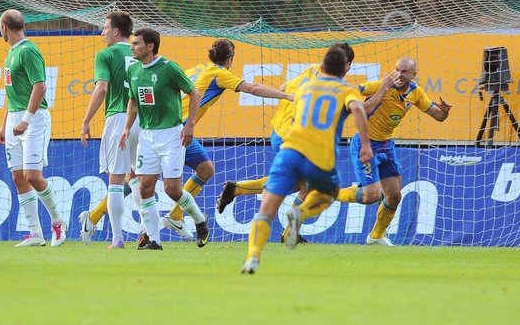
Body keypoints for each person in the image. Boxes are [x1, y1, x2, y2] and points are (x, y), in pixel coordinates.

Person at [241, 46, 373, 274]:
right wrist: (367, 145)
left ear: (321, 67)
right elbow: (358, 110)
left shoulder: (304, 89)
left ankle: (252, 257)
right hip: (319, 156)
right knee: (330, 193)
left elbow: (287, 95)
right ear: (345, 70)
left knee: (266, 210)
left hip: (289, 151)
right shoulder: (346, 90)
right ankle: (299, 213)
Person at [158, 38, 293, 242]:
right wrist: (287, 97)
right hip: (177, 129)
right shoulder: (220, 74)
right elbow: (253, 88)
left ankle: (176, 214)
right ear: (229, 59)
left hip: (170, 123)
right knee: (140, 181)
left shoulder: (198, 69)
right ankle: (96, 218)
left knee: (206, 169)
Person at [336, 57, 450, 246]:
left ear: (414, 75)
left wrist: (444, 111)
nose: (398, 74)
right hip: (365, 142)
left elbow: (438, 116)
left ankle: (376, 236)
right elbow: (358, 104)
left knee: (395, 195)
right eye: (396, 69)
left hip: (386, 144)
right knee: (371, 196)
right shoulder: (381, 85)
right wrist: (384, 88)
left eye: (404, 71)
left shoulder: (415, 93)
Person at [118, 28, 208, 250]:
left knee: (172, 190)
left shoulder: (169, 69)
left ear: (150, 46)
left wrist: (190, 124)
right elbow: (133, 101)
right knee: (145, 187)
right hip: (147, 136)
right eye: (131, 43)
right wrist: (127, 128)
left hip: (171, 136)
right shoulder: (133, 70)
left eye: (136, 44)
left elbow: (194, 93)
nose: (132, 47)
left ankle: (200, 220)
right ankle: (154, 240)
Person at [0, 9, 65, 247]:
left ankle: (57, 223)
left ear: (4, 27)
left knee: (32, 176)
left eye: (0, 27)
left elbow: (40, 87)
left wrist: (25, 119)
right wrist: (4, 125)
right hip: (15, 119)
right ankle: (35, 233)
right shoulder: (11, 54)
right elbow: (11, 94)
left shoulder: (29, 51)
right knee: (18, 177)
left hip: (34, 120)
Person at [77, 11, 142, 249]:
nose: (102, 33)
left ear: (116, 31)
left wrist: (86, 121)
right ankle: (146, 233)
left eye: (105, 28)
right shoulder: (140, 53)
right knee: (136, 178)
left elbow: (102, 89)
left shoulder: (105, 55)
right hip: (144, 120)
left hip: (118, 118)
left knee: (115, 183)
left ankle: (117, 239)